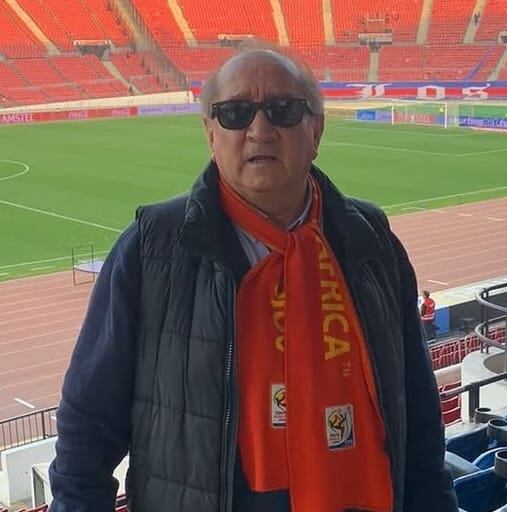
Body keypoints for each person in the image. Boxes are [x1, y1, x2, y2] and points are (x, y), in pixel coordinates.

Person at [48, 45, 458, 512]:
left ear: (316, 130)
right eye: (235, 113)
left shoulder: (371, 240)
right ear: (210, 133)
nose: (260, 130)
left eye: (284, 110)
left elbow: (419, 419)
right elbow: (87, 430)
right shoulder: (151, 249)